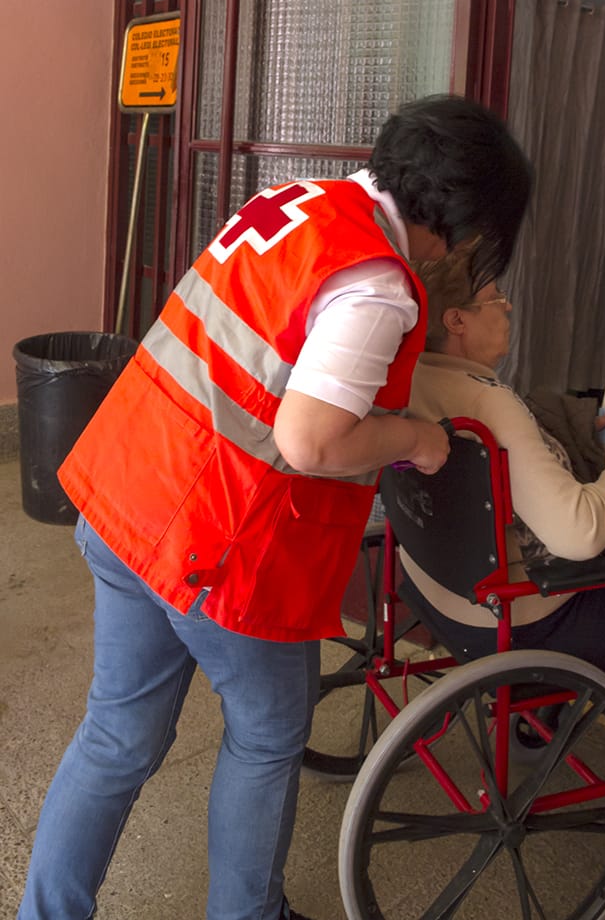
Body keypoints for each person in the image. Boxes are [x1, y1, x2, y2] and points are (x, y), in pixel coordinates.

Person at [16, 95, 532, 920]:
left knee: (116, 738)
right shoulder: (374, 285)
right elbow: (312, 443)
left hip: (126, 495)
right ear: (464, 219)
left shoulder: (300, 203)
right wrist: (414, 435)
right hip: (210, 542)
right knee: (265, 734)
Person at [403, 252, 605, 815]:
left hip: (439, 599)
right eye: (496, 299)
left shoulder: (406, 379)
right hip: (520, 621)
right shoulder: (489, 403)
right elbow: (577, 535)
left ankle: (555, 714)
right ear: (457, 320)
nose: (508, 308)